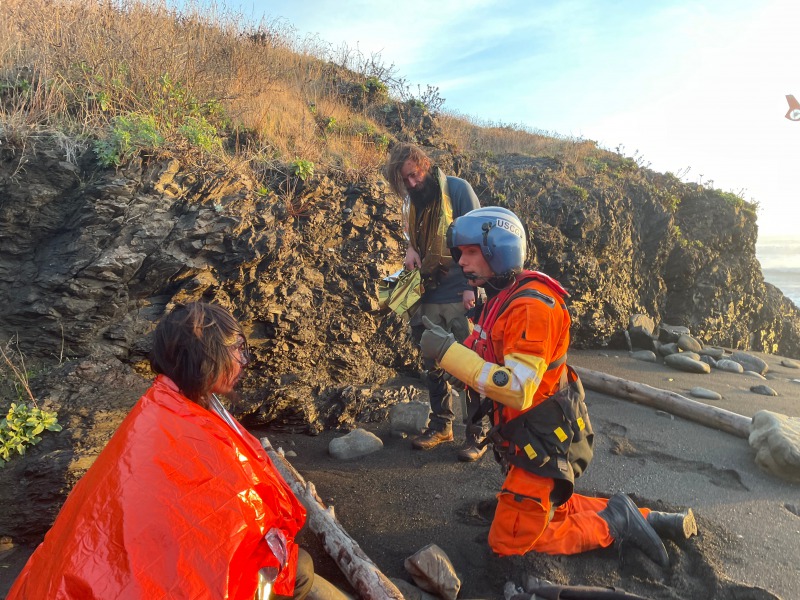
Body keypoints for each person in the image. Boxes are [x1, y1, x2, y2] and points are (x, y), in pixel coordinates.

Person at [7, 302, 341, 600]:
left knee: (292, 564)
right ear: (205, 352)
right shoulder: (176, 423)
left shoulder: (167, 408)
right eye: (238, 348)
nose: (245, 359)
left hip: (107, 566)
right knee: (297, 570)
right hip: (126, 577)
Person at [419, 206, 698, 562]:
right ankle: (653, 519)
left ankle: (615, 523)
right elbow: (490, 357)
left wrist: (447, 353)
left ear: (499, 249)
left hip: (545, 441)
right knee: (549, 511)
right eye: (460, 253)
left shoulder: (532, 307)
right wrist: (460, 346)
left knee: (508, 544)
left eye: (471, 252)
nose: (462, 261)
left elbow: (518, 390)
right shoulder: (502, 297)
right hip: (532, 437)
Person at [383, 142, 487, 461]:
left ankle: (477, 434)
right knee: (433, 365)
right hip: (426, 293)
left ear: (425, 164)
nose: (412, 184)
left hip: (460, 292)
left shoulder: (457, 190)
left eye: (414, 175)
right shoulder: (411, 202)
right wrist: (411, 249)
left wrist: (473, 285)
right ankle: (442, 425)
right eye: (406, 180)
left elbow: (478, 238)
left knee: (470, 366)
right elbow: (412, 238)